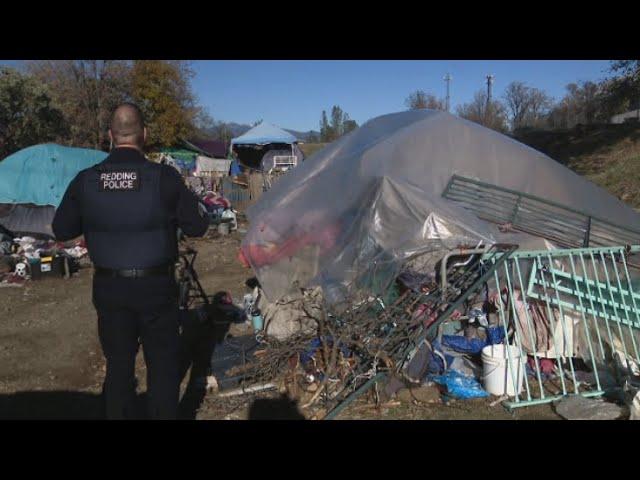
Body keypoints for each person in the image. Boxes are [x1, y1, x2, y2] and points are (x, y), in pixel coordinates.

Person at [52, 103, 209, 420]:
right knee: (163, 366)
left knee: (119, 366)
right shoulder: (164, 178)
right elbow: (198, 226)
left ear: (110, 135)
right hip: (156, 287)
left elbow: (62, 229)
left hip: (110, 288)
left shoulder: (87, 180)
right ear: (145, 134)